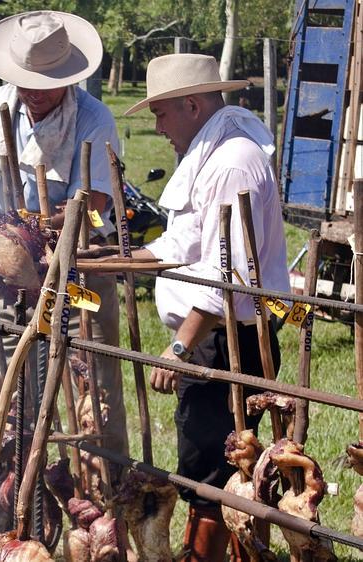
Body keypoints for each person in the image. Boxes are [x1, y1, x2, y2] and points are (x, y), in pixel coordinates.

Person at [0, 11, 128, 460]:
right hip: (6, 266)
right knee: (4, 373)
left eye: (46, 84)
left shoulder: (94, 119)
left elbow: (93, 204)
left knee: (93, 385)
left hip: (75, 264)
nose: (35, 93)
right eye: (27, 82)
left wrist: (31, 229)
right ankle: (10, 475)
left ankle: (101, 482)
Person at [128, 53, 290, 561]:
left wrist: (180, 346)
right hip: (217, 340)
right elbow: (183, 243)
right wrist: (103, 260)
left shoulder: (232, 162)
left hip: (228, 344)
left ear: (192, 105)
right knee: (213, 459)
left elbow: (228, 278)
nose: (158, 127)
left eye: (160, 113)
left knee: (210, 469)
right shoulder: (211, 153)